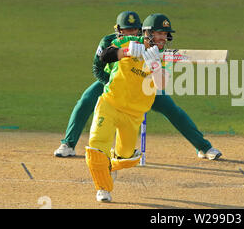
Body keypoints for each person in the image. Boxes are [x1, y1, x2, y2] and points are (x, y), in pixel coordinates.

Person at [54, 11, 221, 160]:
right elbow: (98, 66)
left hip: (145, 87)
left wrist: (154, 64)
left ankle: (204, 147)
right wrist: (115, 83)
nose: (130, 33)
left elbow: (161, 81)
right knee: (86, 100)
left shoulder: (155, 47)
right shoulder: (112, 41)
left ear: (141, 29)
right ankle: (68, 144)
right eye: (126, 30)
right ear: (118, 30)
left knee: (173, 111)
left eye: (134, 29)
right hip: (114, 82)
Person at [87, 13, 175, 202]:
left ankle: (110, 165)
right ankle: (103, 187)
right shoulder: (128, 41)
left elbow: (162, 84)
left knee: (125, 157)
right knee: (96, 148)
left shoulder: (163, 56)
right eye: (159, 33)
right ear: (148, 33)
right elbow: (105, 56)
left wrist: (155, 65)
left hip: (134, 114)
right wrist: (126, 52)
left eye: (165, 34)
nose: (162, 38)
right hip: (110, 104)